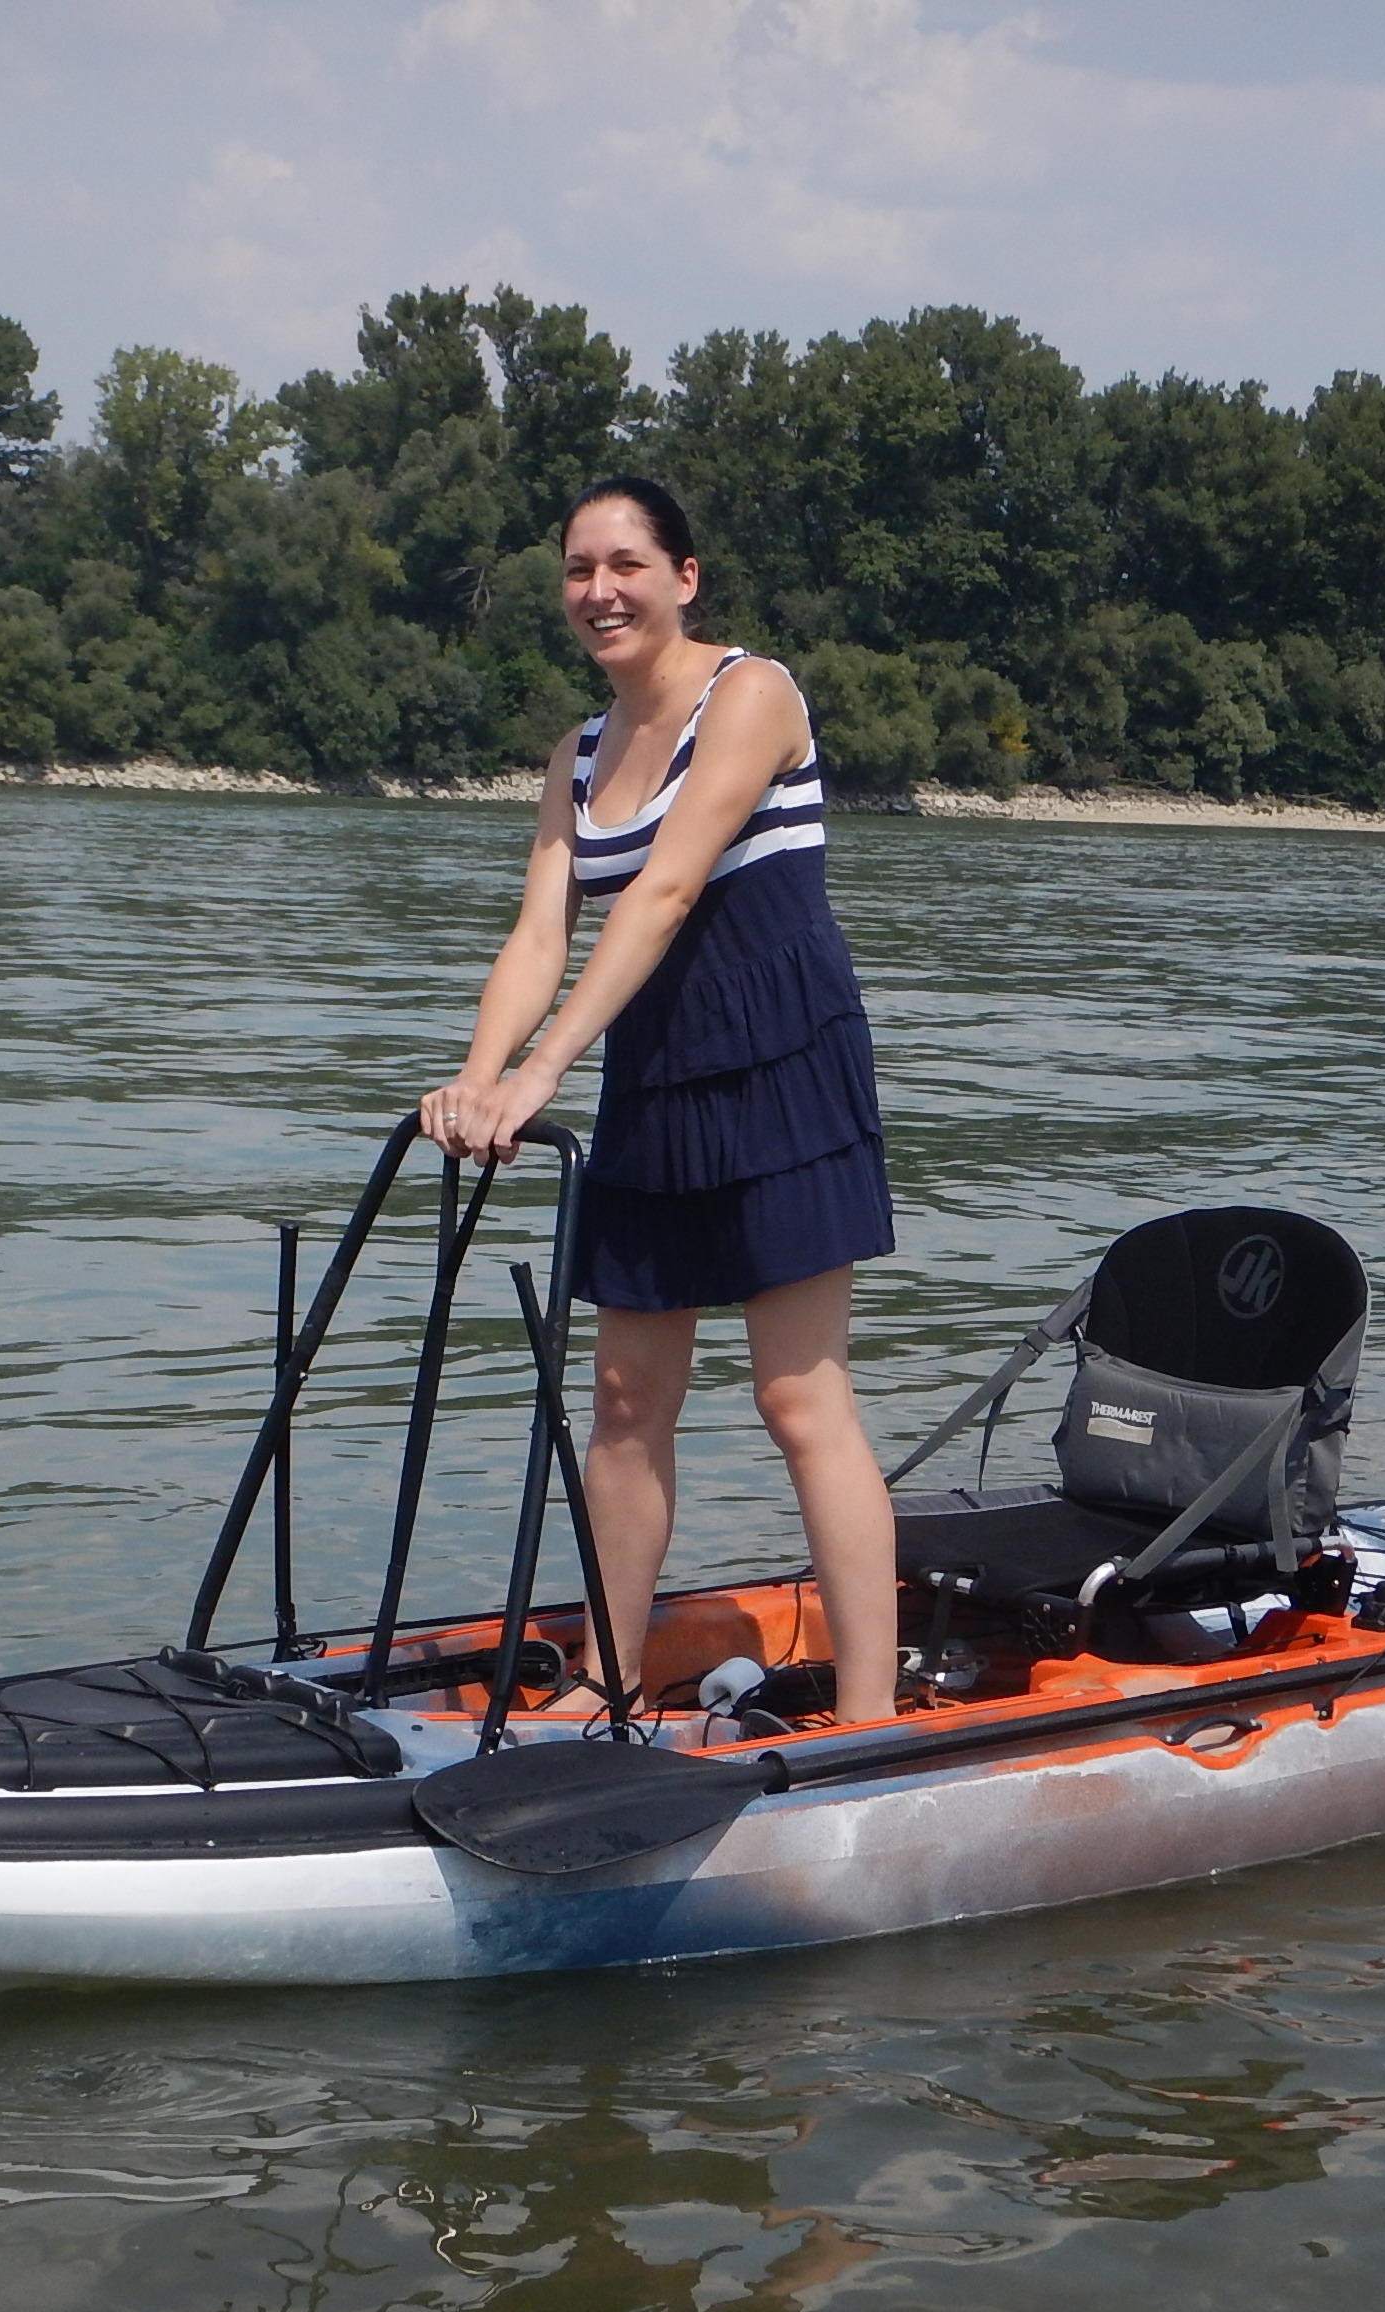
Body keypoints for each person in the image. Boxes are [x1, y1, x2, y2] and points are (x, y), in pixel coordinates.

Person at [426, 476, 899, 1723]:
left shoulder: (753, 692)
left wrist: (540, 1077)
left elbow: (667, 893)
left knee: (799, 1397)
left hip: (784, 1063)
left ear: (683, 576)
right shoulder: (578, 753)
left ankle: (872, 1717)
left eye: (626, 564)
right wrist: (477, 1077)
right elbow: (539, 934)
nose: (600, 591)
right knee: (627, 1400)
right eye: (579, 570)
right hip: (656, 1079)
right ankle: (607, 1676)